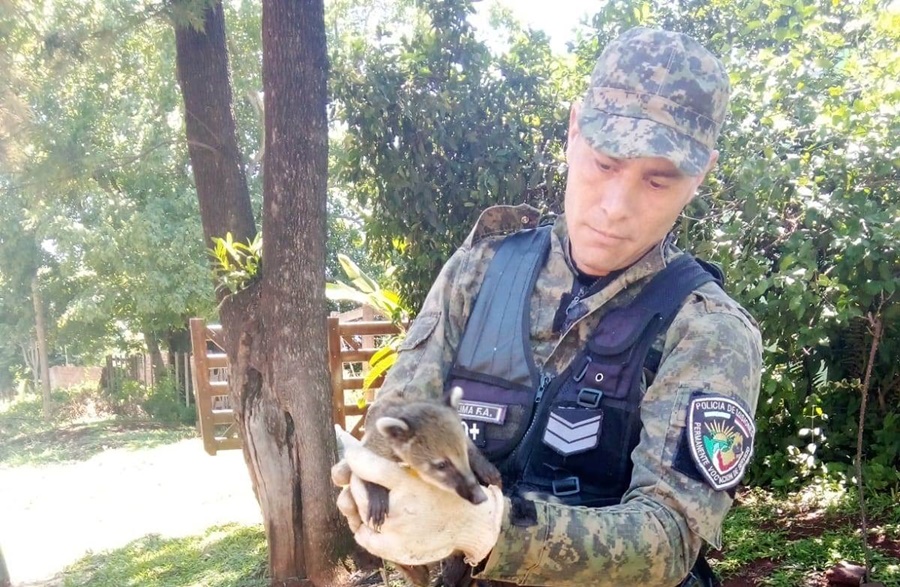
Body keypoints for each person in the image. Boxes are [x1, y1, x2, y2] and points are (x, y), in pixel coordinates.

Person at [332, 26, 762, 587]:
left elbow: (669, 536)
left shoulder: (705, 329)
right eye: (605, 164)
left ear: (700, 173)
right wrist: (377, 487)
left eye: (657, 181)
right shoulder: (481, 269)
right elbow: (397, 426)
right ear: (574, 129)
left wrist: (487, 531)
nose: (615, 207)